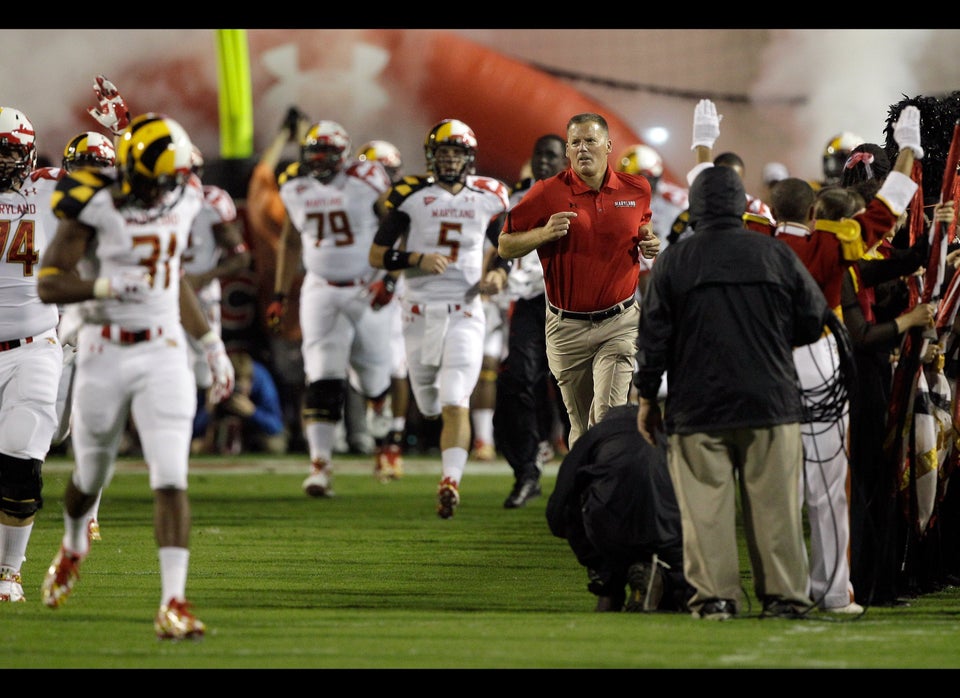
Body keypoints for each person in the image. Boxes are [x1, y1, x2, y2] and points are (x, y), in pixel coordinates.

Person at [37, 112, 235, 640]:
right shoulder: (95, 202)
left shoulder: (186, 193)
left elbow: (175, 284)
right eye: (156, 180)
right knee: (90, 476)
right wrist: (104, 290)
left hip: (165, 350)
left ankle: (173, 601)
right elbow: (50, 284)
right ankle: (74, 542)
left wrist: (213, 347)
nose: (165, 191)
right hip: (105, 350)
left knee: (170, 476)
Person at [635, 163, 830, 621]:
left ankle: (716, 598)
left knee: (705, 513)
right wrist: (773, 342)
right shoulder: (775, 254)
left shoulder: (674, 260)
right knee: (778, 510)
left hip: (697, 406)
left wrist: (646, 397)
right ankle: (783, 597)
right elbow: (815, 317)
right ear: (744, 206)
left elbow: (653, 339)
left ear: (695, 208)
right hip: (772, 401)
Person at [771, 109, 924, 614]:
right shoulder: (830, 244)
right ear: (815, 213)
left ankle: (780, 589)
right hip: (820, 359)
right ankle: (833, 590)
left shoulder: (754, 241)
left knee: (777, 488)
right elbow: (887, 212)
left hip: (767, 366)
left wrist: (704, 155)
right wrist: (908, 151)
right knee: (829, 484)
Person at [369, 118, 510, 519]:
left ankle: (450, 480)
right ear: (432, 157)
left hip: (465, 310)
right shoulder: (411, 195)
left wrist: (499, 272)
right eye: (443, 153)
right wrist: (416, 258)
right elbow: (377, 255)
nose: (449, 160)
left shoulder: (489, 195)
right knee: (429, 402)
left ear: (468, 157)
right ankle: (446, 458)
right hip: (417, 312)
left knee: (454, 398)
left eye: (455, 153)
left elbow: (504, 244)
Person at [498, 113, 659, 448]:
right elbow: (505, 244)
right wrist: (544, 233)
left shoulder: (637, 188)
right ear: (567, 151)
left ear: (608, 146)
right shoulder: (546, 192)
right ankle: (586, 495)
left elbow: (641, 225)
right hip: (566, 325)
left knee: (607, 416)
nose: (583, 148)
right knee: (581, 427)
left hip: (620, 321)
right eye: (575, 142)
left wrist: (649, 239)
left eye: (590, 140)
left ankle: (606, 498)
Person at [267, 119, 395, 497]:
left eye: (326, 154)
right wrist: (280, 294)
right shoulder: (294, 185)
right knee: (321, 376)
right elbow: (291, 241)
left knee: (373, 375)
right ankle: (320, 466)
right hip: (320, 288)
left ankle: (380, 416)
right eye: (313, 154)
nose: (319, 162)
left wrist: (389, 277)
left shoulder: (367, 179)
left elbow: (395, 225)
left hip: (366, 286)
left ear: (343, 156)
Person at [0, 107, 65, 603]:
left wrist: (125, 135)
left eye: (8, 151)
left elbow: (132, 189)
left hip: (32, 348)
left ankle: (9, 571)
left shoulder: (48, 189)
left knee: (22, 461)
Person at [546, 403, 694, 613]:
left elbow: (557, 509)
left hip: (610, 528)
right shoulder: (667, 436)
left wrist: (595, 557)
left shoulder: (596, 435)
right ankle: (670, 582)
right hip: (667, 530)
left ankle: (609, 584)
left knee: (578, 506)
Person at [492, 134, 570, 509]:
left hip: (573, 303)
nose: (543, 161)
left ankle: (581, 474)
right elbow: (499, 245)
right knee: (518, 378)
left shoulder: (581, 195)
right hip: (529, 301)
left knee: (572, 389)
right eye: (539, 154)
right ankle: (527, 471)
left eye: (551, 155)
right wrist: (496, 270)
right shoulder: (512, 199)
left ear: (565, 160)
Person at [246, 106, 312, 453]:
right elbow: (315, 173)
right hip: (305, 296)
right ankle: (303, 429)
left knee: (295, 376)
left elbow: (261, 173)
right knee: (308, 374)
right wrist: (300, 137)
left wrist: (284, 136)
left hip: (282, 298)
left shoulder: (269, 205)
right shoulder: (309, 202)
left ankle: (297, 428)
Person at [182, 145, 251, 448]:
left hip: (198, 293)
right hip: (157, 292)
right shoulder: (147, 202)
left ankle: (198, 435)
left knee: (203, 371)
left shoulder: (211, 202)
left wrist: (203, 275)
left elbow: (240, 255)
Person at [354, 139, 410, 480]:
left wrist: (390, 281)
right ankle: (379, 440)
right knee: (361, 368)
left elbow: (405, 241)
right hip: (357, 288)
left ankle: (393, 443)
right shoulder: (351, 195)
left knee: (395, 365)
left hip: (391, 288)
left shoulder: (400, 202)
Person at [193, 350, 287, 455]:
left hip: (255, 430)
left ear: (252, 380)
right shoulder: (217, 380)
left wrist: (252, 412)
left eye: (245, 383)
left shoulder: (262, 381)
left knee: (275, 446)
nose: (240, 390)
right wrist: (209, 407)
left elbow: (276, 426)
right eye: (236, 383)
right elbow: (193, 429)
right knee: (195, 446)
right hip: (220, 428)